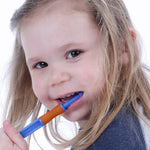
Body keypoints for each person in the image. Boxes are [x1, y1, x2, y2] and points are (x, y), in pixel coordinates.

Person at [0, 0, 150, 149]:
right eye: (41, 64)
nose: (56, 78)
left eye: (74, 54)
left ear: (121, 47)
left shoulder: (113, 142)